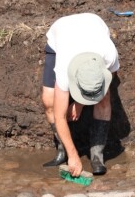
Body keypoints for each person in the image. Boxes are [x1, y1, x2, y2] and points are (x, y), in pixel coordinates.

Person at [41, 13, 120, 177]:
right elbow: (60, 115)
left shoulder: (109, 55)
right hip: (61, 34)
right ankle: (63, 151)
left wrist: (80, 103)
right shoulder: (64, 67)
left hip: (93, 24)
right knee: (49, 100)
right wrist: (73, 156)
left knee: (104, 99)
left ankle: (97, 156)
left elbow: (111, 76)